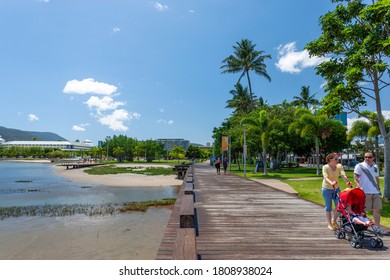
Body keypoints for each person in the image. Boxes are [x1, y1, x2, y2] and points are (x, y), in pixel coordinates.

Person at [354, 152, 385, 234]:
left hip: (375, 192)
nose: (367, 158)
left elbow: (376, 178)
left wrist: (378, 188)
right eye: (365, 157)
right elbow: (355, 178)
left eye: (369, 157)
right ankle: (361, 227)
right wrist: (359, 187)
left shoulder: (375, 167)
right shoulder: (359, 166)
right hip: (365, 192)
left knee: (377, 210)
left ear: (373, 158)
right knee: (364, 211)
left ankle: (377, 227)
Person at [322, 153, 352, 230]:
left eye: (337, 159)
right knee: (328, 207)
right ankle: (329, 224)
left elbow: (343, 175)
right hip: (327, 189)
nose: (337, 160)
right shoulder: (325, 167)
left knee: (339, 206)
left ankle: (333, 220)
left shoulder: (339, 166)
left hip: (336, 189)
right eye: (335, 159)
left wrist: (347, 182)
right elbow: (326, 177)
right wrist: (331, 182)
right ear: (330, 160)